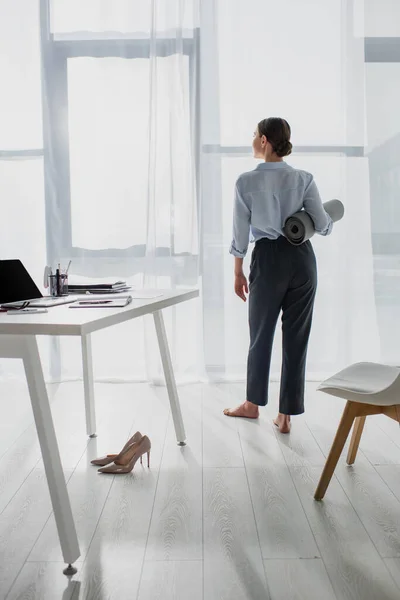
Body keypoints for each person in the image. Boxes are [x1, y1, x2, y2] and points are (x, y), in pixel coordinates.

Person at [224, 117, 332, 433]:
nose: (252, 138)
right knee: (296, 336)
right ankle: (286, 416)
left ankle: (252, 404)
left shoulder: (245, 182)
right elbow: (322, 223)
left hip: (268, 259)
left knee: (260, 334)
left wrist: (237, 272)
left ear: (264, 141)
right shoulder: (304, 178)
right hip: (302, 259)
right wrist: (324, 223)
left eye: (254, 134)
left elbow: (240, 233)